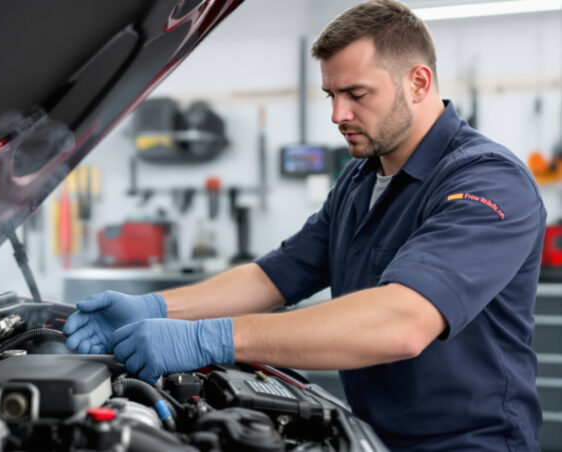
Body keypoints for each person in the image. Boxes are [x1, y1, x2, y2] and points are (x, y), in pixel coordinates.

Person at [63, 0, 545, 449]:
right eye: (331, 94)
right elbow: (276, 275)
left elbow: (403, 322)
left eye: (357, 94)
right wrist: (157, 306)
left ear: (418, 82)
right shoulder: (361, 178)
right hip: (369, 433)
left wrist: (209, 338)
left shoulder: (488, 181)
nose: (338, 114)